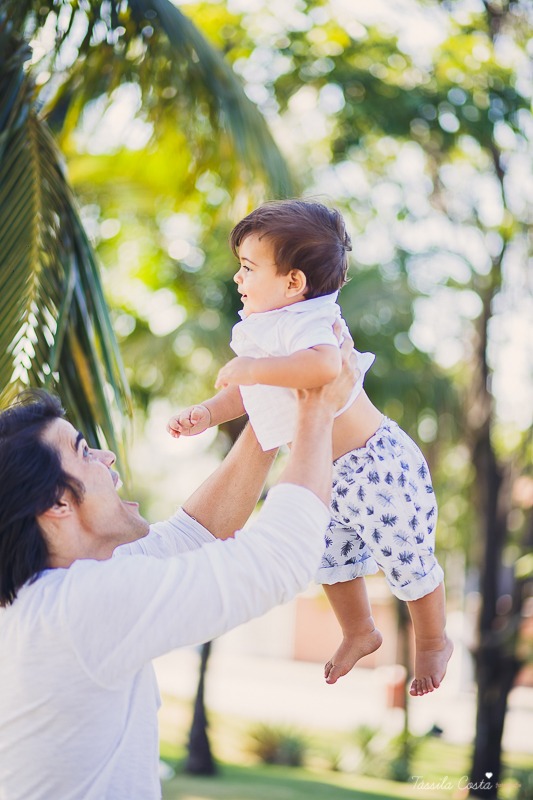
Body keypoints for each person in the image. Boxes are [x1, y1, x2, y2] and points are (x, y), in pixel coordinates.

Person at [0, 344, 354, 800]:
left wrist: (274, 403)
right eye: (84, 452)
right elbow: (278, 559)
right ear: (57, 503)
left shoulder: (51, 596)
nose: (107, 457)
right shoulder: (76, 609)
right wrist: (316, 411)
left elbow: (195, 534)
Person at [168, 199, 453, 695]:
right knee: (327, 558)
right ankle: (359, 630)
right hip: (329, 475)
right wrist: (209, 412)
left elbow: (323, 369)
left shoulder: (309, 321)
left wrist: (254, 369)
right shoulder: (270, 328)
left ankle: (433, 640)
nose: (238, 278)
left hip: (375, 466)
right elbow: (255, 391)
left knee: (405, 557)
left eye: (248, 268)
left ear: (293, 283)